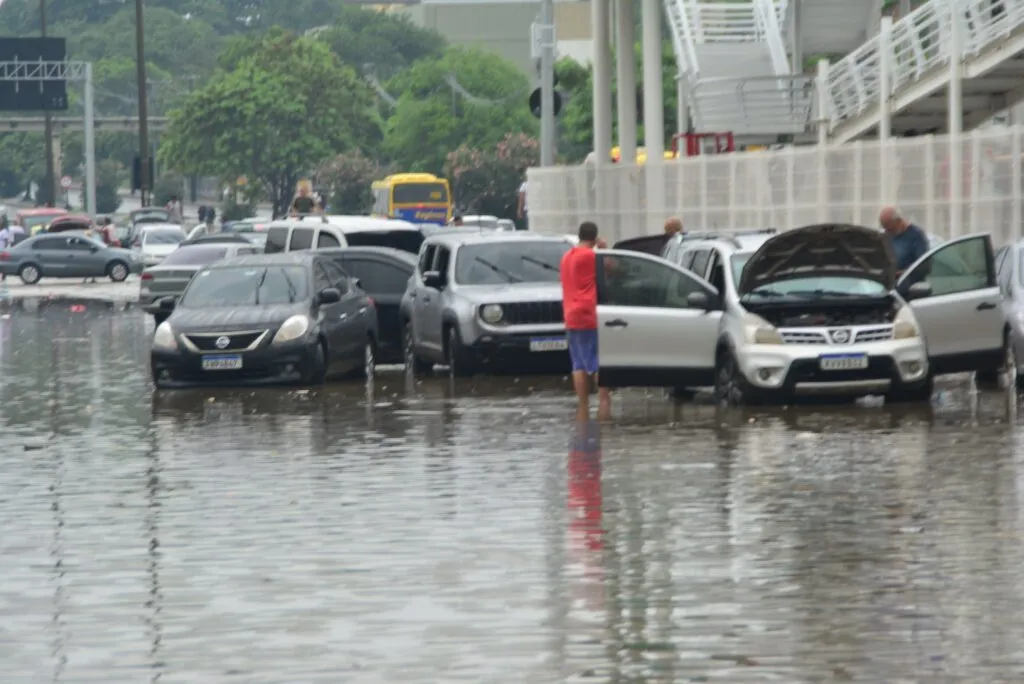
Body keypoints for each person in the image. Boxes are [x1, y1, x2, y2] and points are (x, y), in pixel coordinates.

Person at [561, 221, 611, 421]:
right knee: (597, 362)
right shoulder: (591, 256)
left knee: (578, 364)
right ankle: (604, 401)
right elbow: (612, 268)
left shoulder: (566, 257)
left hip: (570, 314)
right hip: (588, 314)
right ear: (594, 237)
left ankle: (583, 405)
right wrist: (605, 249)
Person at [879, 206, 929, 276]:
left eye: (891, 229)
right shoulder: (886, 236)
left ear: (899, 221)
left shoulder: (916, 236)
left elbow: (922, 265)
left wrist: (901, 273)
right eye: (885, 229)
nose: (888, 232)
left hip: (907, 281)